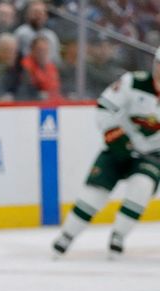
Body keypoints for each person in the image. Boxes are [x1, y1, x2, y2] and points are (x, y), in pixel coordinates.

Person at [52, 48, 160, 258]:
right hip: (120, 146)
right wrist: (116, 138)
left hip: (153, 155)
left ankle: (118, 236)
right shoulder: (133, 82)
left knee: (142, 187)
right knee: (94, 194)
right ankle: (68, 234)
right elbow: (104, 107)